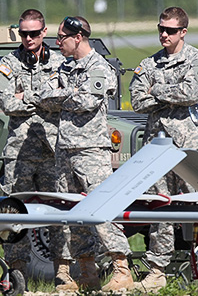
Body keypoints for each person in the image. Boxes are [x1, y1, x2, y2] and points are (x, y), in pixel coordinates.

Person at [129, 6, 198, 292]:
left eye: (170, 30)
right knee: (160, 210)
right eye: (160, 28)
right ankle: (157, 271)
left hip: (191, 148)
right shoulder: (149, 63)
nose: (164, 34)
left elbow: (191, 93)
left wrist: (156, 92)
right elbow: (137, 100)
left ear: (183, 32)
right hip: (158, 147)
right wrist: (169, 93)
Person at [36, 16, 134, 293]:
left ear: (77, 37)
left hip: (91, 150)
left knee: (103, 209)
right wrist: (69, 92)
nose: (57, 43)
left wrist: (62, 94)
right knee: (71, 213)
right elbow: (43, 94)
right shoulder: (63, 66)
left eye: (62, 37)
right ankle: (87, 272)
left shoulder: (99, 67)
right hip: (64, 149)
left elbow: (87, 101)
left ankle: (121, 270)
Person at [0, 9, 69, 285]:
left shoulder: (62, 63)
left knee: (58, 210)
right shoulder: (8, 64)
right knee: (16, 211)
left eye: (34, 33)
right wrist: (45, 99)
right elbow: (7, 104)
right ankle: (16, 272)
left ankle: (62, 269)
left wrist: (26, 96)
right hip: (20, 152)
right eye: (23, 33)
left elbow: (64, 99)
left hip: (52, 149)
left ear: (44, 32)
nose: (28, 38)